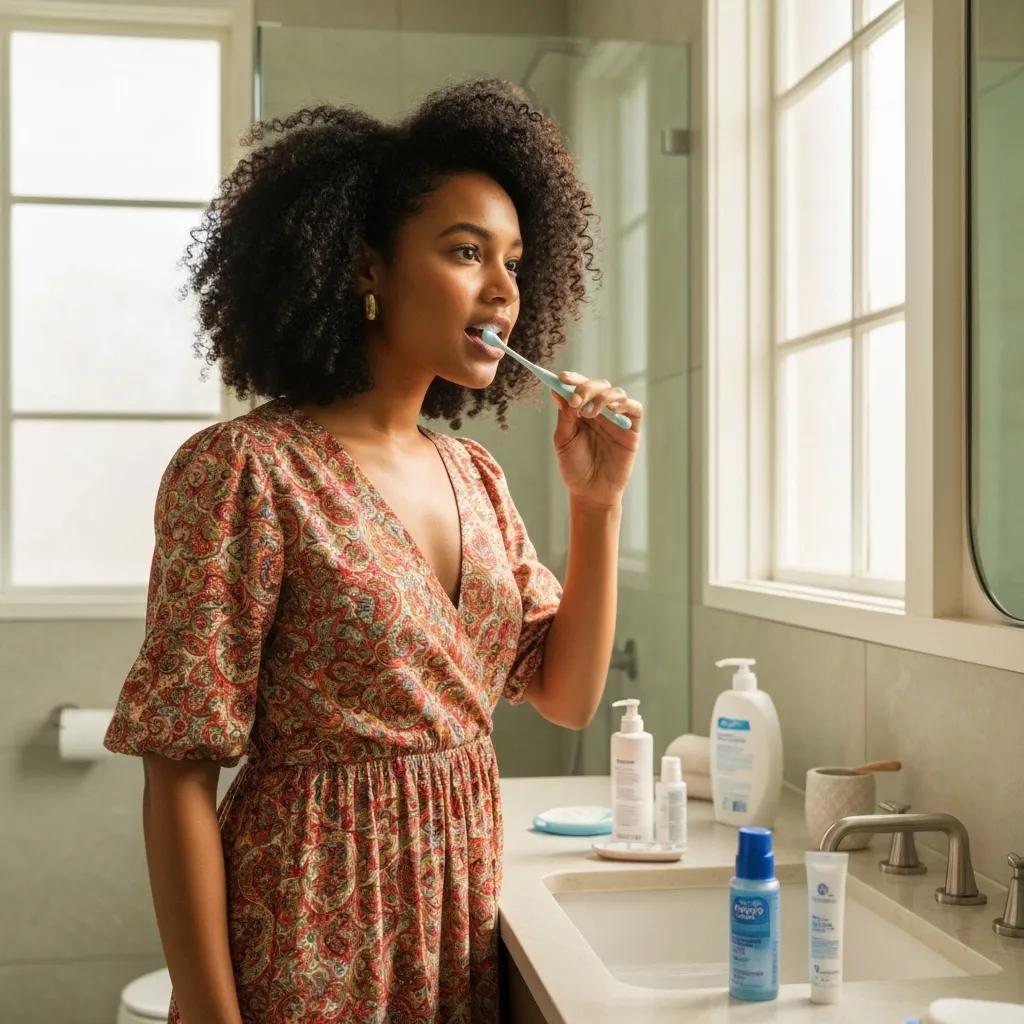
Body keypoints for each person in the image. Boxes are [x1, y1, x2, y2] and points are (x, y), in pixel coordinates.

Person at [103, 77, 642, 1024]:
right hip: (303, 920)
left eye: (515, 260)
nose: (505, 290)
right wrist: (210, 1009)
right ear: (366, 267)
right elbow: (178, 770)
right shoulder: (247, 471)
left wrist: (596, 506)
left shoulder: (477, 476)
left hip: (452, 924)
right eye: (466, 252)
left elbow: (566, 696)